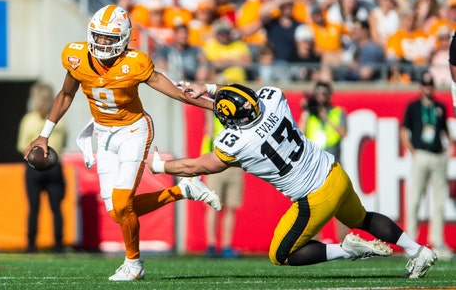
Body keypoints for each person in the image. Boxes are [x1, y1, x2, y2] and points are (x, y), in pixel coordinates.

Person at [148, 82, 438, 279]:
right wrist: (211, 89)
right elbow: (243, 97)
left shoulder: (236, 141)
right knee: (362, 218)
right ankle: (418, 251)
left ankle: (346, 249)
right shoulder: (273, 99)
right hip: (334, 172)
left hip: (314, 197)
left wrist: (160, 165)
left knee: (280, 254)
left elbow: (197, 165)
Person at [23, 4, 222, 281]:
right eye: (99, 36)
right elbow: (66, 95)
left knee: (121, 202)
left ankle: (133, 264)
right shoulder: (76, 56)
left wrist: (216, 107)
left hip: (133, 131)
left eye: (110, 37)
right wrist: (44, 133)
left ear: (126, 38)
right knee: (118, 211)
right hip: (102, 134)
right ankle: (182, 191)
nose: (103, 43)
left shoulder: (136, 63)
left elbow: (177, 92)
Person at [399, 72, 453, 260]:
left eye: (430, 84)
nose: (428, 88)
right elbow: (404, 130)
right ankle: (411, 242)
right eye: (425, 84)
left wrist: (451, 146)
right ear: (420, 86)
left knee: (438, 201)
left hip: (438, 155)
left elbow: (445, 129)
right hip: (421, 154)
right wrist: (413, 151)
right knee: (414, 199)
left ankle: (437, 240)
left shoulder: (440, 106)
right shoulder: (413, 107)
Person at [17, 81, 68, 254]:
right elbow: (64, 143)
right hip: (54, 166)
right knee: (56, 209)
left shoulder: (29, 120)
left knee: (33, 208)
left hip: (34, 169)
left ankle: (31, 246)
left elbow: (22, 145)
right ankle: (59, 246)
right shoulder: (59, 121)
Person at [201, 114, 243, 259]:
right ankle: (211, 245)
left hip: (235, 163)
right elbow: (209, 131)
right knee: (213, 206)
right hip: (215, 161)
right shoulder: (215, 111)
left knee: (231, 207)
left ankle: (226, 246)